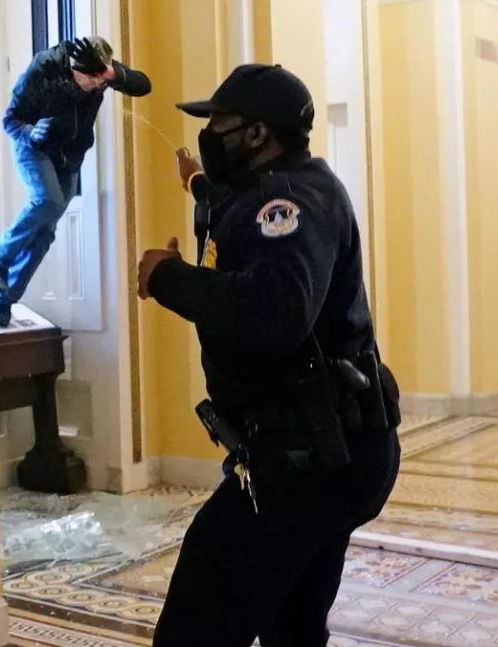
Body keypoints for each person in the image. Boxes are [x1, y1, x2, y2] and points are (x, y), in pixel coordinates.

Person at [136, 64, 402, 646]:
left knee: (196, 624)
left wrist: (167, 277)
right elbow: (235, 211)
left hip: (306, 461)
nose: (210, 134)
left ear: (257, 134)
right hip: (335, 450)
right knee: (293, 625)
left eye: (220, 124)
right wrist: (196, 181)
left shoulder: (286, 202)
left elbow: (277, 313)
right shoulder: (292, 183)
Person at [0, 36, 151, 326]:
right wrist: (31, 133)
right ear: (73, 67)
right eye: (90, 78)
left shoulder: (100, 73)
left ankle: (5, 299)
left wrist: (112, 74)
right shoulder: (44, 69)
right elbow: (10, 120)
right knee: (49, 201)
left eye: (100, 80)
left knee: (45, 234)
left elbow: (144, 85)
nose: (96, 85)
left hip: (70, 159)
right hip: (34, 147)